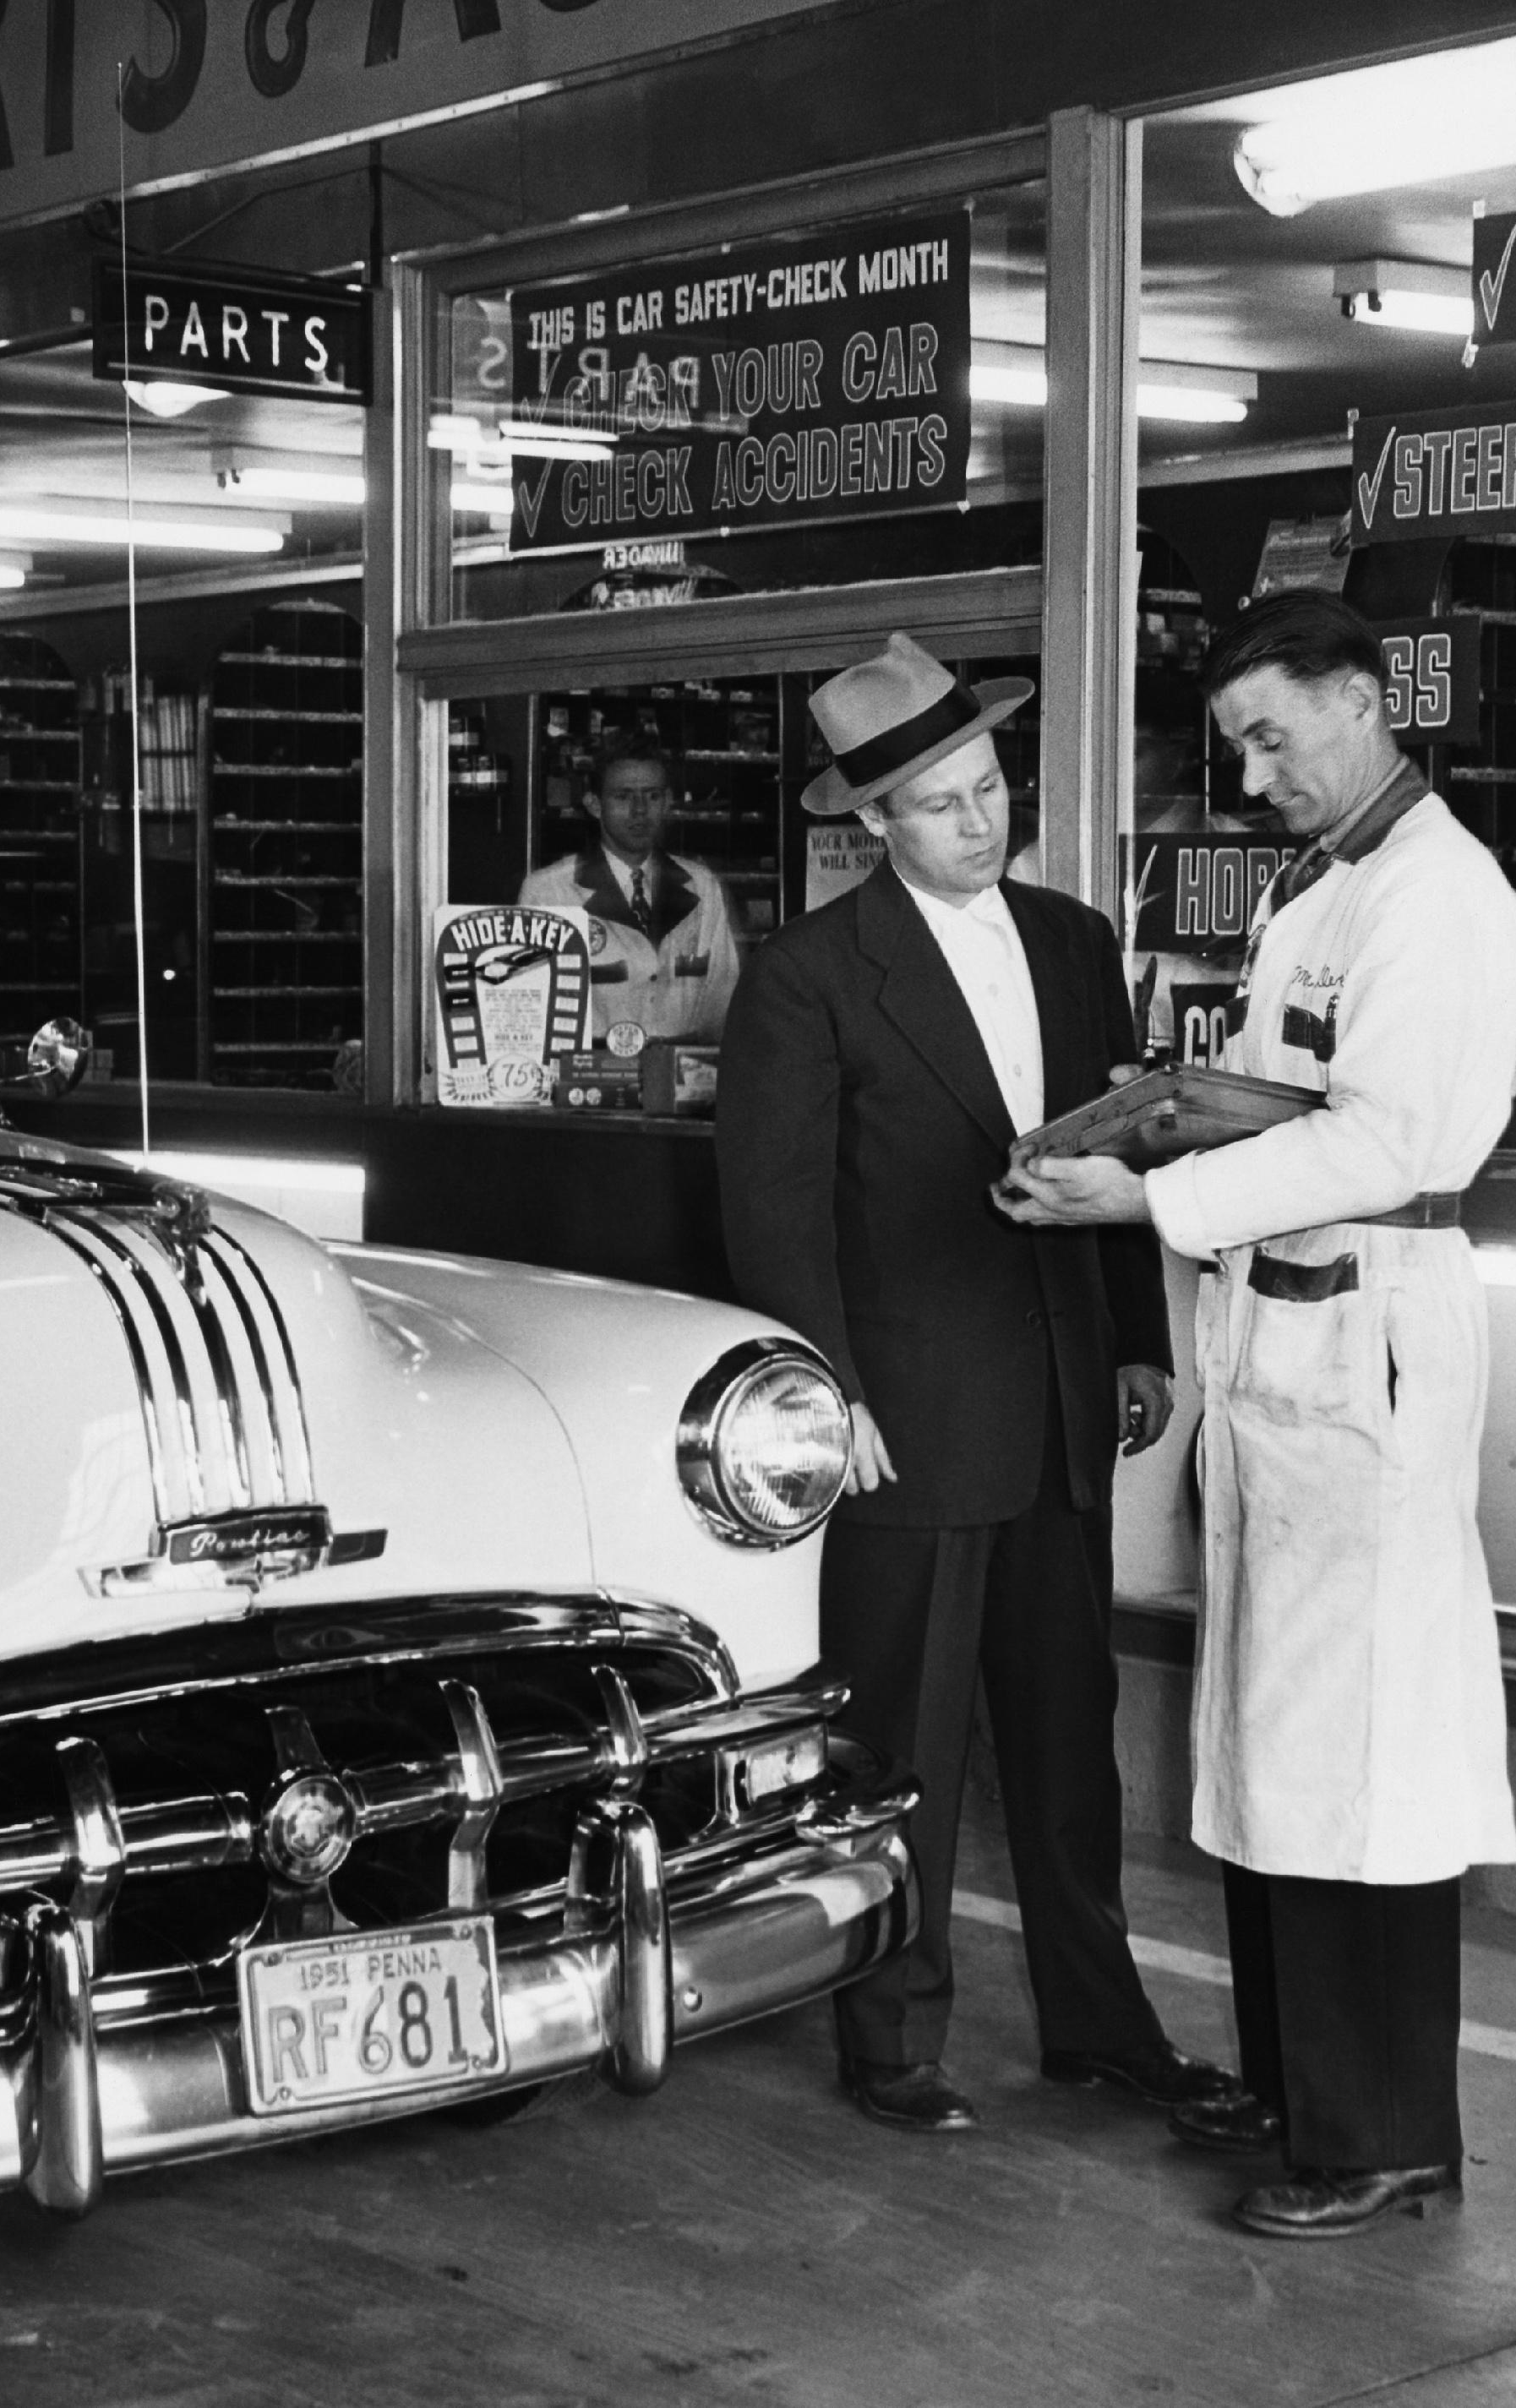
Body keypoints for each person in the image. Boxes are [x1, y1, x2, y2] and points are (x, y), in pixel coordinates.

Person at [997, 587, 1516, 2241]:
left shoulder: (1438, 901)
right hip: (1288, 1346)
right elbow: (1295, 1100)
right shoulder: (1335, 890)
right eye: (1232, 744)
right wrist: (1176, 1121)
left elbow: (1380, 1144)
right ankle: (1305, 2091)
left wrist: (1145, 1198)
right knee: (1277, 1750)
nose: (1251, 776)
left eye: (1270, 735)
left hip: (1362, 1346)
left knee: (1362, 1759)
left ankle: (1378, 2134)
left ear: (1366, 700)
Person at [718, 629, 1235, 2138]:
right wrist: (830, 1397)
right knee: (909, 1751)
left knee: (1068, 1749)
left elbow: (1125, 1143)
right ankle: (891, 2039)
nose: (977, 818)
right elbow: (774, 1211)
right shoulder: (808, 978)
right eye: (939, 802)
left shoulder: (1074, 942)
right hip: (908, 1420)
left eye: (989, 785)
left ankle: (1100, 2025)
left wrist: (1135, 1337)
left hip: (1066, 1403)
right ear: (870, 823)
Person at [519, 733, 743, 1047]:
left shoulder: (701, 886)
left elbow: (724, 999)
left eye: (651, 796)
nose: (640, 811)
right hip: (589, 1079)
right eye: (623, 796)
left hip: (681, 1079)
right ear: (594, 805)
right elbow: (532, 1008)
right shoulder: (548, 891)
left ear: (667, 801)